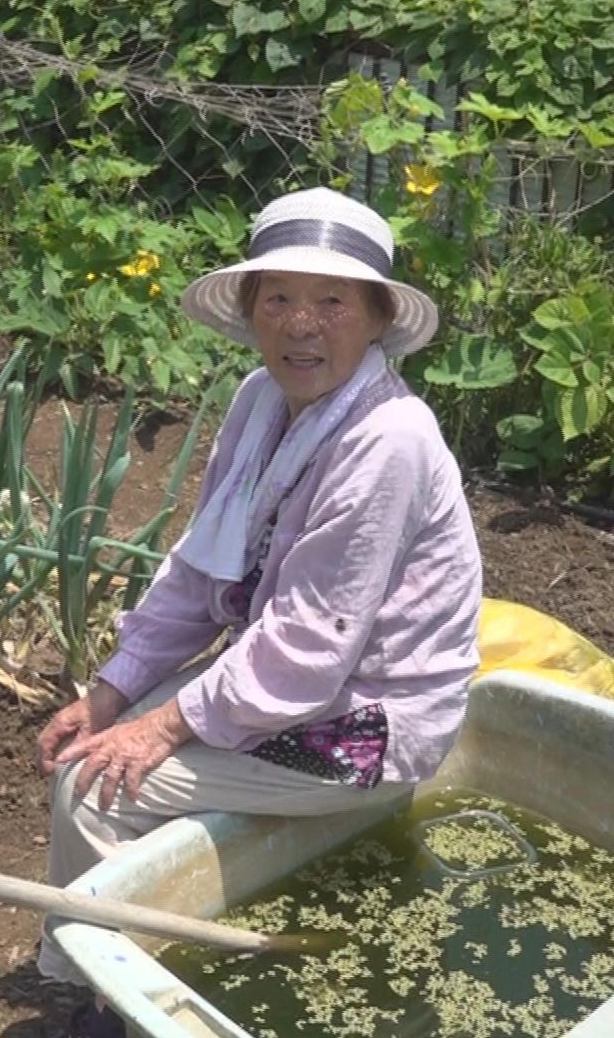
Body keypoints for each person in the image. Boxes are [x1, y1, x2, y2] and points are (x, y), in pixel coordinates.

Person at [35, 186, 484, 1037]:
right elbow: (204, 567)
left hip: (369, 720)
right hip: (291, 676)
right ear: (249, 312)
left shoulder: (388, 439)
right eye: (277, 298)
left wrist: (162, 725)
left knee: (94, 793)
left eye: (331, 301)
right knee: (101, 745)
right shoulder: (260, 402)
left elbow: (308, 650)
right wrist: (113, 690)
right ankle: (99, 980)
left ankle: (124, 1008)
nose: (300, 324)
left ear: (378, 317)